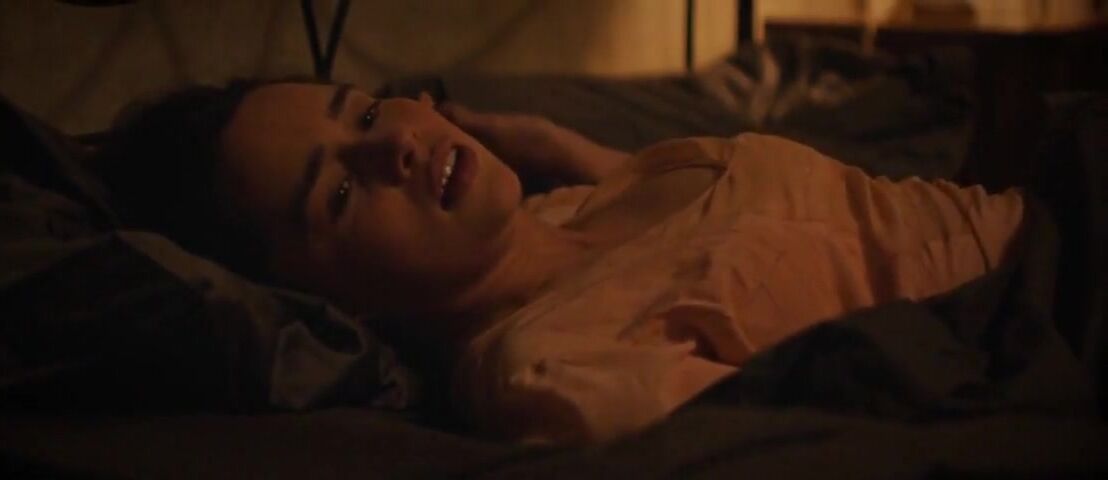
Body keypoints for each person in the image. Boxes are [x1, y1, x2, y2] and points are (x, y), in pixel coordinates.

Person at [93, 79, 1026, 444]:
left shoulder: (565, 204)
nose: (395, 147)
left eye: (366, 112)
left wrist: (551, 141)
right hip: (1037, 296)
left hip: (1045, 202)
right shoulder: (546, 366)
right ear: (335, 306)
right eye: (337, 194)